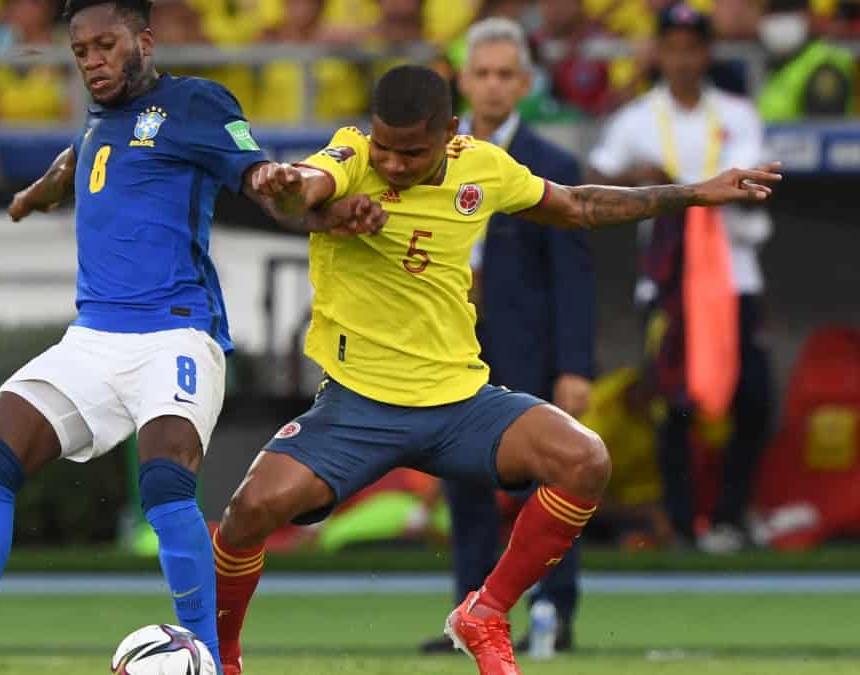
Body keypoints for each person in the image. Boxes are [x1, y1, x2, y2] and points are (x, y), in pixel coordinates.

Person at [0, 2, 383, 674]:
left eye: (105, 45)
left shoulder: (193, 103)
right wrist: (40, 192)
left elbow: (251, 173)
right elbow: (80, 156)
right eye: (80, 52)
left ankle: (215, 659)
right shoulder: (99, 117)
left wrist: (280, 184)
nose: (92, 62)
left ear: (143, 40)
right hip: (94, 339)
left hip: (176, 334)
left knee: (165, 478)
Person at [211, 63, 781, 675]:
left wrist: (695, 192)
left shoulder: (482, 166)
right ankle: (224, 656)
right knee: (247, 511)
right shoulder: (352, 153)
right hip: (357, 406)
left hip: (460, 403)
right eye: (385, 147)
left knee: (585, 460)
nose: (394, 164)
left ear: (449, 132)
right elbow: (305, 189)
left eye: (411, 152)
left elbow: (579, 205)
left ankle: (486, 611)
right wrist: (285, 181)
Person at [418, 17, 595, 656]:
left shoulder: (551, 165)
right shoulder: (429, 159)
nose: (492, 86)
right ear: (461, 80)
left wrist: (576, 364)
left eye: (504, 75)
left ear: (523, 83)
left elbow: (574, 278)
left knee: (547, 480)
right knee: (463, 484)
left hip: (528, 348)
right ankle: (468, 612)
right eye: (481, 73)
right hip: (449, 347)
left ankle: (555, 613)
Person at [588, 4, 775, 554]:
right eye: (672, 46)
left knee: (753, 395)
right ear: (659, 53)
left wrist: (679, 187)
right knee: (673, 402)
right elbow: (596, 177)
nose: (683, 58)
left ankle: (729, 515)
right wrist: (636, 180)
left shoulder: (738, 114)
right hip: (668, 281)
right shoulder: (638, 118)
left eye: (693, 47)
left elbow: (754, 179)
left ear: (706, 53)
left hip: (734, 274)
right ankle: (677, 520)